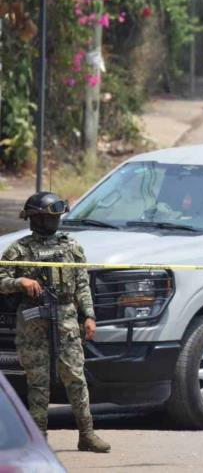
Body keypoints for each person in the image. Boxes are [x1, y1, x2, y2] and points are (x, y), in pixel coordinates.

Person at [0, 192, 110, 453]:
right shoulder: (19, 249)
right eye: (52, 216)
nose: (56, 221)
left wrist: (90, 316)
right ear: (36, 218)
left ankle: (87, 434)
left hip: (67, 321)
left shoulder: (71, 246)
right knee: (37, 382)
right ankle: (38, 439)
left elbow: (82, 284)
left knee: (76, 378)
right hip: (33, 325)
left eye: (58, 216)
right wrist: (20, 282)